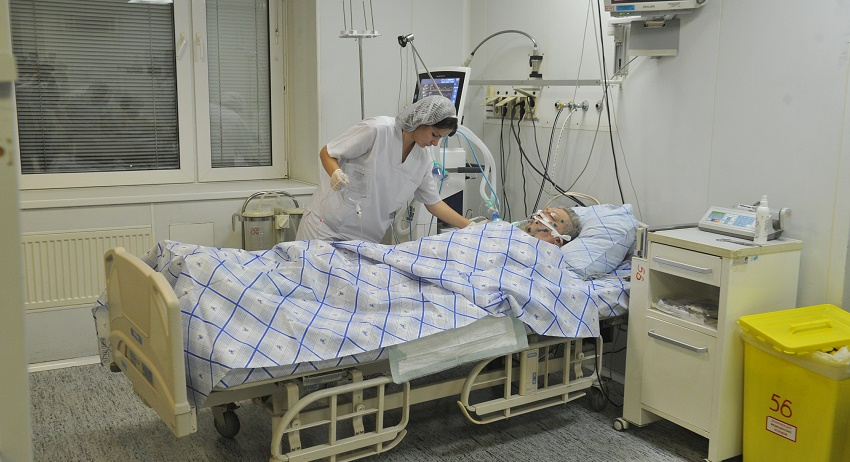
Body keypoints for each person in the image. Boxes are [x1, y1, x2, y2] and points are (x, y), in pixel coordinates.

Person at [297, 95, 473, 242]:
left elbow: (433, 203)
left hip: (365, 238)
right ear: (422, 120)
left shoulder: (424, 159)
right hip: (325, 228)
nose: (435, 143)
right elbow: (327, 152)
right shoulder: (378, 130)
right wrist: (335, 173)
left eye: (440, 138)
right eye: (434, 135)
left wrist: (470, 226)